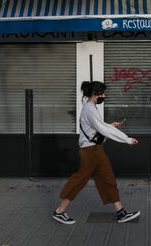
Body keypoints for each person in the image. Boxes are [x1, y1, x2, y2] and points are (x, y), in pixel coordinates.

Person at [52, 81, 140, 224]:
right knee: (80, 180)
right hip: (90, 152)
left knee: (108, 179)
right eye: (102, 94)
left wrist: (110, 125)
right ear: (94, 94)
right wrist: (127, 139)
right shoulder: (89, 109)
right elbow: (102, 129)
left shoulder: (91, 107)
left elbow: (99, 126)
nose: (104, 96)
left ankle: (121, 212)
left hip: (96, 150)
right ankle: (59, 211)